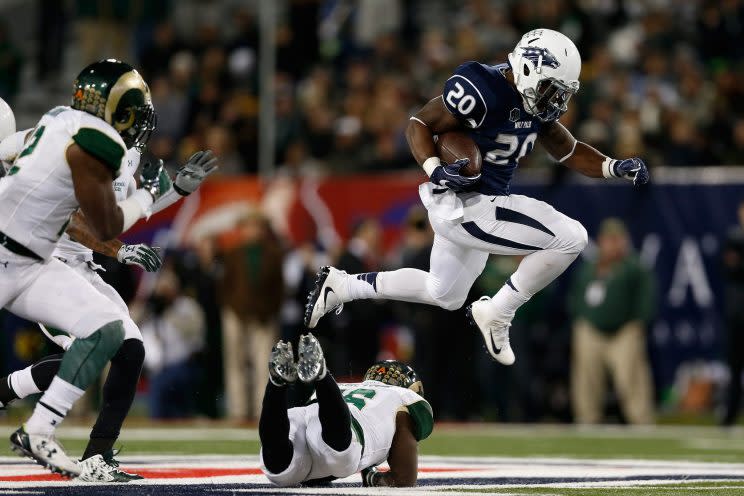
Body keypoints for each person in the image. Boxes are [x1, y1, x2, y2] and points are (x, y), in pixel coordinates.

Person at [305, 28, 649, 366]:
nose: (555, 100)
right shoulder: (484, 89)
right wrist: (435, 168)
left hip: (472, 208)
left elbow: (569, 151)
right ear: (529, 68)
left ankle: (343, 286)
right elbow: (418, 124)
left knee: (446, 294)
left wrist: (614, 166)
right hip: (469, 204)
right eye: (550, 88)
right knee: (572, 238)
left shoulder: (534, 103)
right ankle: (498, 312)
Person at [0, 80, 216, 480]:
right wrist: (120, 250)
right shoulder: (59, 142)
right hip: (48, 263)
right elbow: (70, 221)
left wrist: (175, 192)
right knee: (106, 347)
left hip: (74, 267)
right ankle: (19, 401)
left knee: (125, 349)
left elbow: (115, 211)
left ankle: (92, 452)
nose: (139, 133)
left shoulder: (117, 155)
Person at [260, 333, 432, 487]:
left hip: (306, 412)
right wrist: (372, 478)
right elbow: (404, 478)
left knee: (279, 468)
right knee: (338, 455)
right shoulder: (401, 396)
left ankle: (277, 384)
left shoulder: (346, 385)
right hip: (341, 432)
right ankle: (321, 375)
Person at [567, 218, 656, 424]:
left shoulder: (634, 267)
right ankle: (587, 419)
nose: (613, 244)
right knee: (587, 379)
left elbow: (646, 298)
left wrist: (639, 324)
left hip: (624, 331)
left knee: (630, 379)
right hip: (592, 330)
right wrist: (581, 319)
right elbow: (576, 297)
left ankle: (641, 420)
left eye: (617, 240)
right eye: (609, 240)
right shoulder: (590, 267)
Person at [220, 212, 284, 420]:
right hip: (235, 313)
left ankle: (262, 410)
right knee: (235, 362)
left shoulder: (274, 254)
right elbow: (224, 286)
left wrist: (270, 311)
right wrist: (231, 307)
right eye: (248, 226)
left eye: (257, 226)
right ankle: (238, 411)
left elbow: (279, 289)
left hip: (264, 316)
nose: (252, 231)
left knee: (264, 363)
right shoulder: (232, 253)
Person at [721, 201, 744, 426]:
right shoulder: (734, 238)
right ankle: (730, 416)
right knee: (734, 368)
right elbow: (730, 267)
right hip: (738, 314)